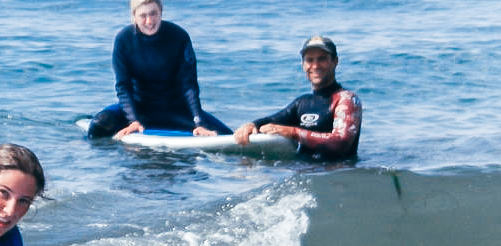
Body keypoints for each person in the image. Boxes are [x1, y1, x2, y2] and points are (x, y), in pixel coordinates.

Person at [87, 0, 230, 139]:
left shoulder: (179, 36)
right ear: (134, 16)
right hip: (139, 108)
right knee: (98, 126)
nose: (149, 21)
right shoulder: (123, 40)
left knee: (228, 136)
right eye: (143, 16)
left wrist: (199, 122)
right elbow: (123, 86)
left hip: (175, 110)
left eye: (153, 13)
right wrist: (133, 121)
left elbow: (189, 86)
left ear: (161, 12)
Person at [233, 36, 362, 160]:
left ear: (335, 61)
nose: (315, 66)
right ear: (303, 65)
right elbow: (273, 121)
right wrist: (251, 125)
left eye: (322, 59)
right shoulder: (302, 103)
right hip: (304, 173)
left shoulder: (347, 100)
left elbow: (341, 143)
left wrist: (294, 133)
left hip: (335, 176)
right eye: (309, 60)